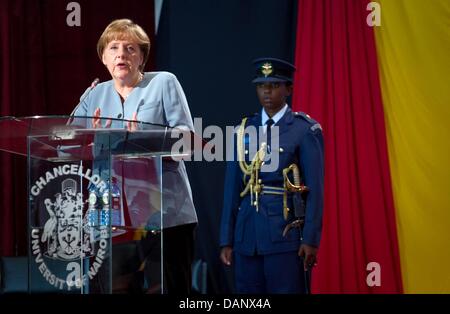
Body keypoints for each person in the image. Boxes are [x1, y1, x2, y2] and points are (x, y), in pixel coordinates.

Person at [71, 18, 197, 294]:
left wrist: (141, 139)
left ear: (142, 57)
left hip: (164, 214)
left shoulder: (164, 82)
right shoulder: (94, 94)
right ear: (103, 57)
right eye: (113, 47)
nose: (121, 54)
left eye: (130, 48)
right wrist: (90, 139)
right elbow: (63, 144)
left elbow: (186, 141)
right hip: (110, 217)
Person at [219, 57, 324, 294]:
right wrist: (226, 238)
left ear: (289, 89)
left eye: (275, 85)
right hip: (246, 236)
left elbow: (315, 191)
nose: (267, 91)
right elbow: (231, 190)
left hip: (284, 234)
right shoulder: (243, 130)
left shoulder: (303, 130)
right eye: (261, 85)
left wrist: (310, 239)